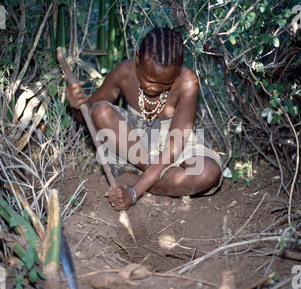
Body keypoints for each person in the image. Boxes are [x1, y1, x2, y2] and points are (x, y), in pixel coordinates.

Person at [66, 27, 223, 211]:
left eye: (165, 83)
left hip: (173, 149)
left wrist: (133, 193)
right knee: (100, 110)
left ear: (178, 71)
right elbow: (87, 118)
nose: (154, 88)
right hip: (134, 147)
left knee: (208, 173)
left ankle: (135, 178)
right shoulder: (124, 72)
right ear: (138, 58)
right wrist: (77, 106)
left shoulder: (188, 82)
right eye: (147, 79)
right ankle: (160, 184)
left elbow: (173, 148)